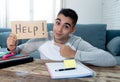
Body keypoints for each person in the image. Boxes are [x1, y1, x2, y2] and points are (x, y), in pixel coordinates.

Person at [7, 8, 116, 67]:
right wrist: (13, 48)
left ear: (72, 30)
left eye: (66, 26)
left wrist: (74, 54)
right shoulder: (43, 37)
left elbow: (110, 60)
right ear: (54, 22)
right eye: (58, 23)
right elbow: (20, 50)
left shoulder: (76, 42)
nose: (59, 30)